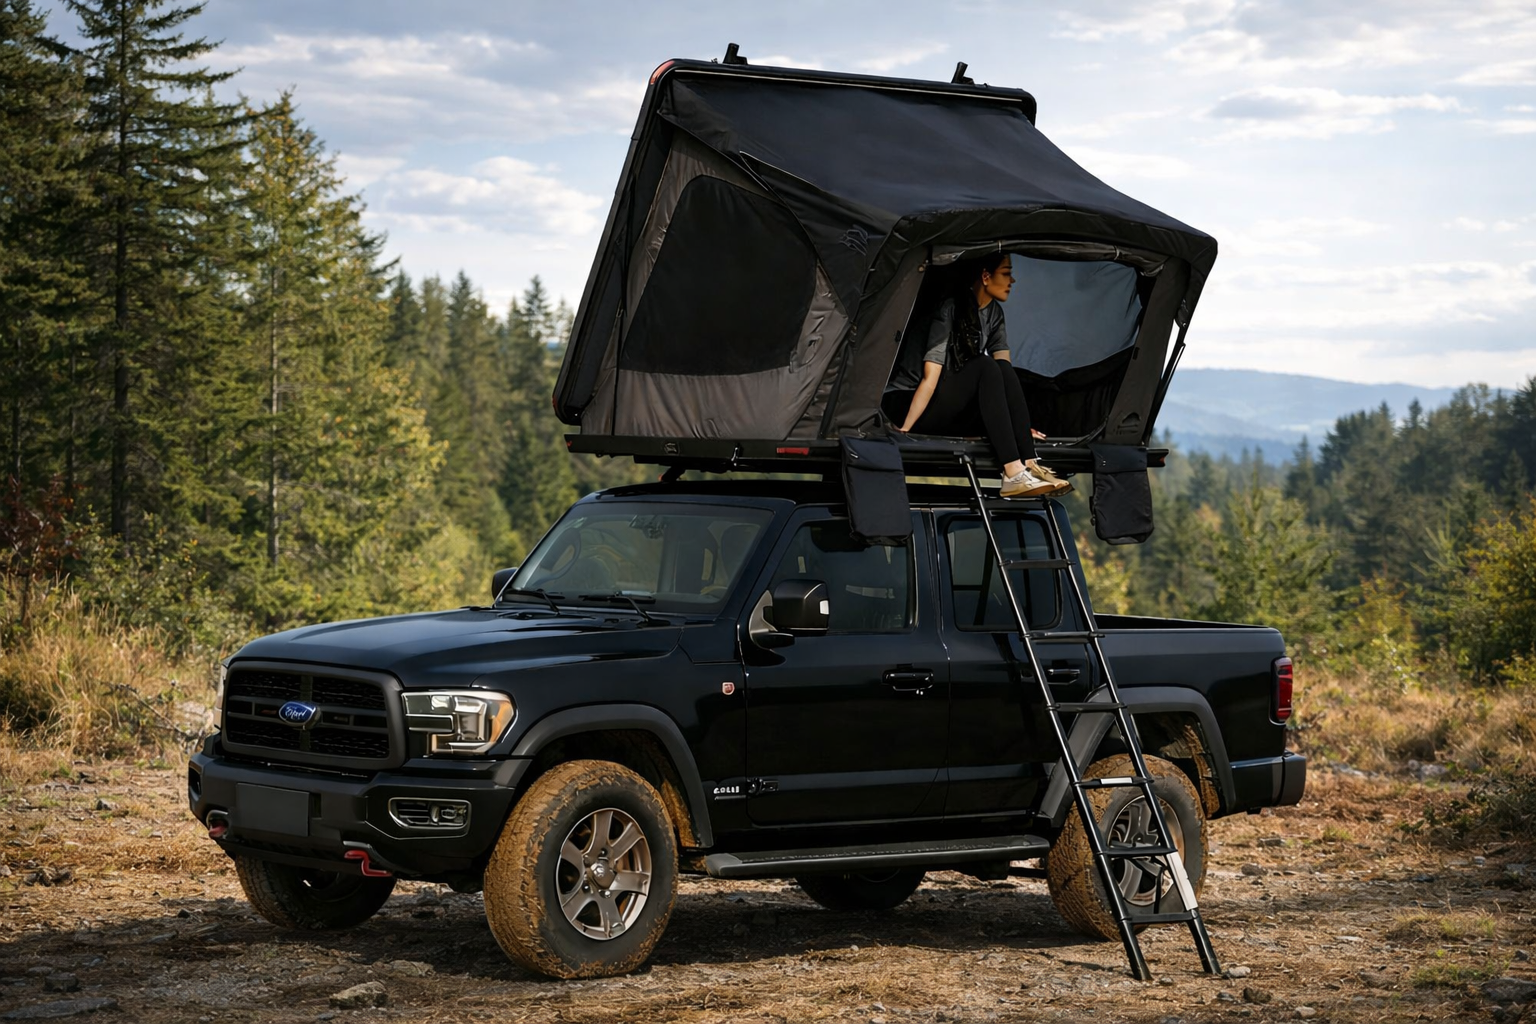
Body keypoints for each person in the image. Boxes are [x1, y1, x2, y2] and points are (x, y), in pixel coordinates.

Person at [891, 253, 1070, 497]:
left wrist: (1019, 427)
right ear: (985, 276)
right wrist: (904, 430)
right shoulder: (949, 309)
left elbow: (1005, 379)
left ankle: (1029, 464)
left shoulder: (994, 313)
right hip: (908, 402)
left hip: (942, 404)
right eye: (1006, 273)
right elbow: (929, 379)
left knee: (1003, 369)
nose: (1012, 281)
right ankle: (1012, 473)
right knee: (984, 366)